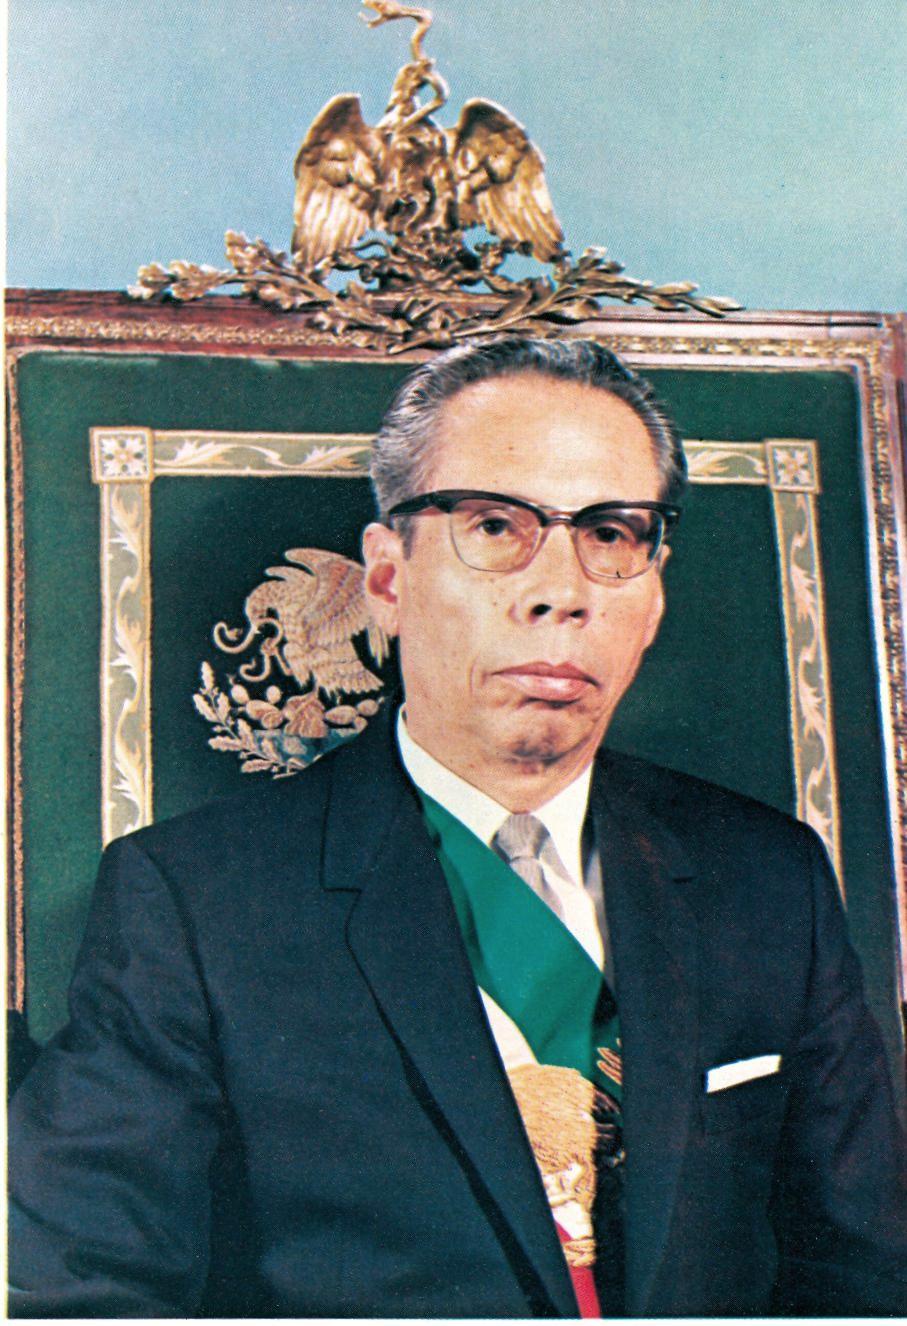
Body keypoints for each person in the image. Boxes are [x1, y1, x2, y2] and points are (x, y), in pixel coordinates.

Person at [9, 338, 907, 1318]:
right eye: (493, 525)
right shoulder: (194, 900)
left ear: (652, 597)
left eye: (610, 534)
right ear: (386, 580)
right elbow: (86, 1293)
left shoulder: (769, 876)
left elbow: (866, 1273)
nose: (561, 591)